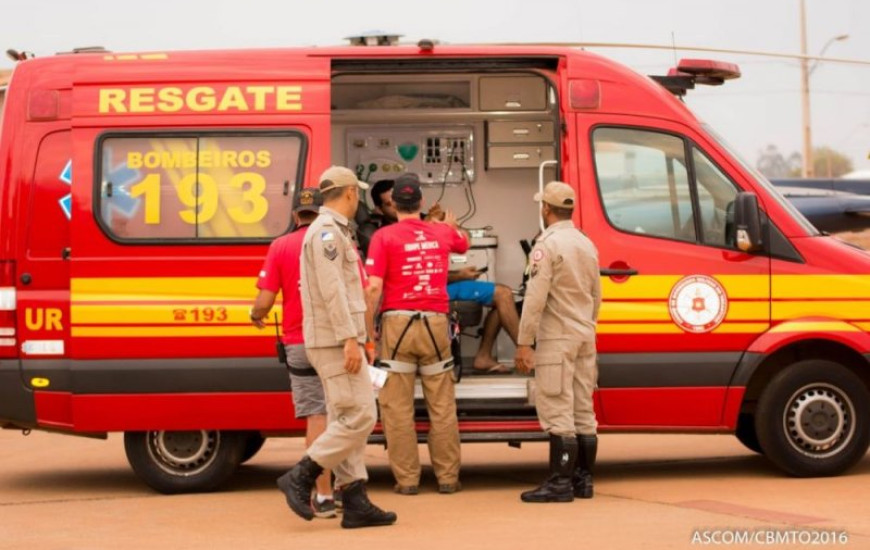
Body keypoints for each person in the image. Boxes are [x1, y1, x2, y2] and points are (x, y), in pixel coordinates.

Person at [276, 166, 396, 529]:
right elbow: (333, 291)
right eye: (356, 193)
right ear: (348, 193)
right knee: (361, 416)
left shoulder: (333, 231)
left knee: (347, 418)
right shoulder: (327, 233)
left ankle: (356, 500)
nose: (357, 199)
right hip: (333, 340)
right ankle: (302, 473)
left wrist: (360, 337)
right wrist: (349, 338)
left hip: (338, 338)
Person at [364, 173, 469, 495]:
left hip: (397, 327)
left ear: (393, 203)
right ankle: (448, 478)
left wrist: (369, 335)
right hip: (436, 326)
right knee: (442, 406)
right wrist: (448, 225)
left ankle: (408, 481)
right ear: (421, 202)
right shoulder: (441, 233)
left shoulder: (383, 237)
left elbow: (373, 289)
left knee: (396, 408)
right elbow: (464, 242)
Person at [357, 178, 519, 375]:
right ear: (379, 209)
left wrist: (447, 223)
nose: (399, 204)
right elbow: (403, 274)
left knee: (503, 293)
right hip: (409, 297)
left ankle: (499, 354)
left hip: (441, 285)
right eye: (389, 202)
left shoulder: (428, 221)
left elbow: (463, 240)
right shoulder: (379, 234)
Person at [250, 188, 336, 518]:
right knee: (343, 415)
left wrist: (255, 316)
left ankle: (324, 496)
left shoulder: (280, 246)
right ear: (321, 212)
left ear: (294, 216)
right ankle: (347, 488)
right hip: (336, 342)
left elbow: (264, 301)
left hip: (299, 342)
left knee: (317, 417)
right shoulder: (335, 240)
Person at [514, 181, 601, 503]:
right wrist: (587, 325)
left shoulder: (546, 245)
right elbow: (596, 295)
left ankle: (560, 484)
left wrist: (525, 343)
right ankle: (584, 481)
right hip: (584, 333)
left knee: (558, 408)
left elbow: (535, 298)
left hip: (557, 336)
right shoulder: (586, 243)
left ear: (546, 209)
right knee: (583, 408)